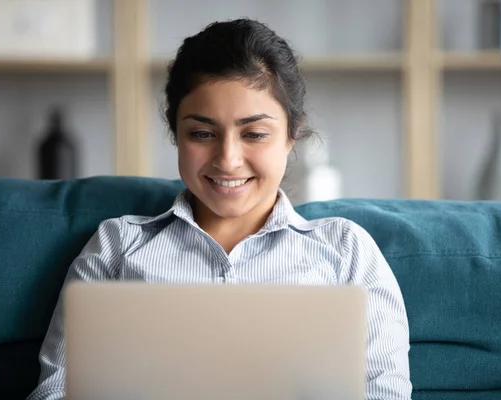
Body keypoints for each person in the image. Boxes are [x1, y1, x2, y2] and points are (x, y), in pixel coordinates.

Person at [27, 18, 411, 400]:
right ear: (175, 133)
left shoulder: (347, 253)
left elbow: (386, 393)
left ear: (292, 136)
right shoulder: (116, 248)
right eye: (202, 133)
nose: (227, 160)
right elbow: (55, 392)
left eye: (254, 134)